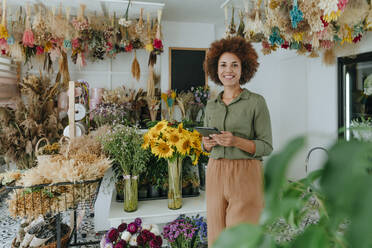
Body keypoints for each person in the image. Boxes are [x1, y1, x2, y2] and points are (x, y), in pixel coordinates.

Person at [202, 36, 273, 246]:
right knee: (216, 235)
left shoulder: (256, 102)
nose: (228, 70)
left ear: (244, 68)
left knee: (242, 237)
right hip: (215, 171)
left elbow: (266, 146)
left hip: (246, 172)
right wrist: (205, 145)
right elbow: (204, 142)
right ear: (216, 69)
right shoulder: (211, 105)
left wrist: (236, 141)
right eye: (223, 65)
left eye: (234, 65)